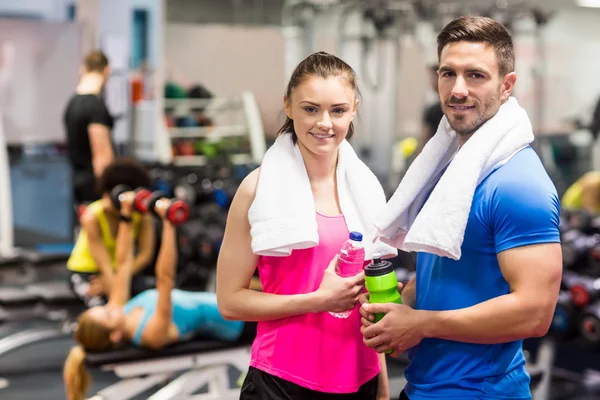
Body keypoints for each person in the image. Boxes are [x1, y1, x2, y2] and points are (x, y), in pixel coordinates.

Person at [360, 16, 562, 400]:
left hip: (479, 391)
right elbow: (446, 266)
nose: (458, 89)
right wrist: (399, 312)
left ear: (506, 86)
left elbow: (535, 312)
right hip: (426, 386)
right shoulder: (453, 166)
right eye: (447, 73)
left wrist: (421, 324)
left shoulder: (519, 184)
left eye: (476, 76)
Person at [216, 51, 393, 400]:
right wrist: (317, 300)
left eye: (338, 110)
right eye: (311, 109)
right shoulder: (257, 189)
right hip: (282, 380)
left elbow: (366, 299)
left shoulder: (365, 190)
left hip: (360, 376)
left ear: (354, 108)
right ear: (288, 105)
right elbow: (229, 301)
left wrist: (382, 385)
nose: (324, 123)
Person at [63, 193, 248, 400]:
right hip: (239, 322)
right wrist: (168, 224)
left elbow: (123, 263)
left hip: (233, 301)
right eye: (107, 315)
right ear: (114, 335)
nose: (110, 307)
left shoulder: (123, 310)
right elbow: (165, 279)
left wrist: (126, 214)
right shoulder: (150, 333)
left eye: (104, 308)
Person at [67, 158, 156, 308]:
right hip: (88, 272)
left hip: (124, 270)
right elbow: (105, 266)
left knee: (150, 300)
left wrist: (122, 278)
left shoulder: (141, 215)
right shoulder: (92, 216)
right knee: (102, 309)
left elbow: (145, 254)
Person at [64, 49, 115, 204]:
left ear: (83, 70)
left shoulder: (72, 103)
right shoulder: (95, 107)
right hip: (94, 190)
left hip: (78, 184)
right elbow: (101, 157)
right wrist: (108, 195)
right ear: (107, 71)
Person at [417, 64, 444, 153]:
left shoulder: (445, 109)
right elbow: (425, 138)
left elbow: (425, 138)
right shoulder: (433, 109)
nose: (431, 82)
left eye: (433, 77)